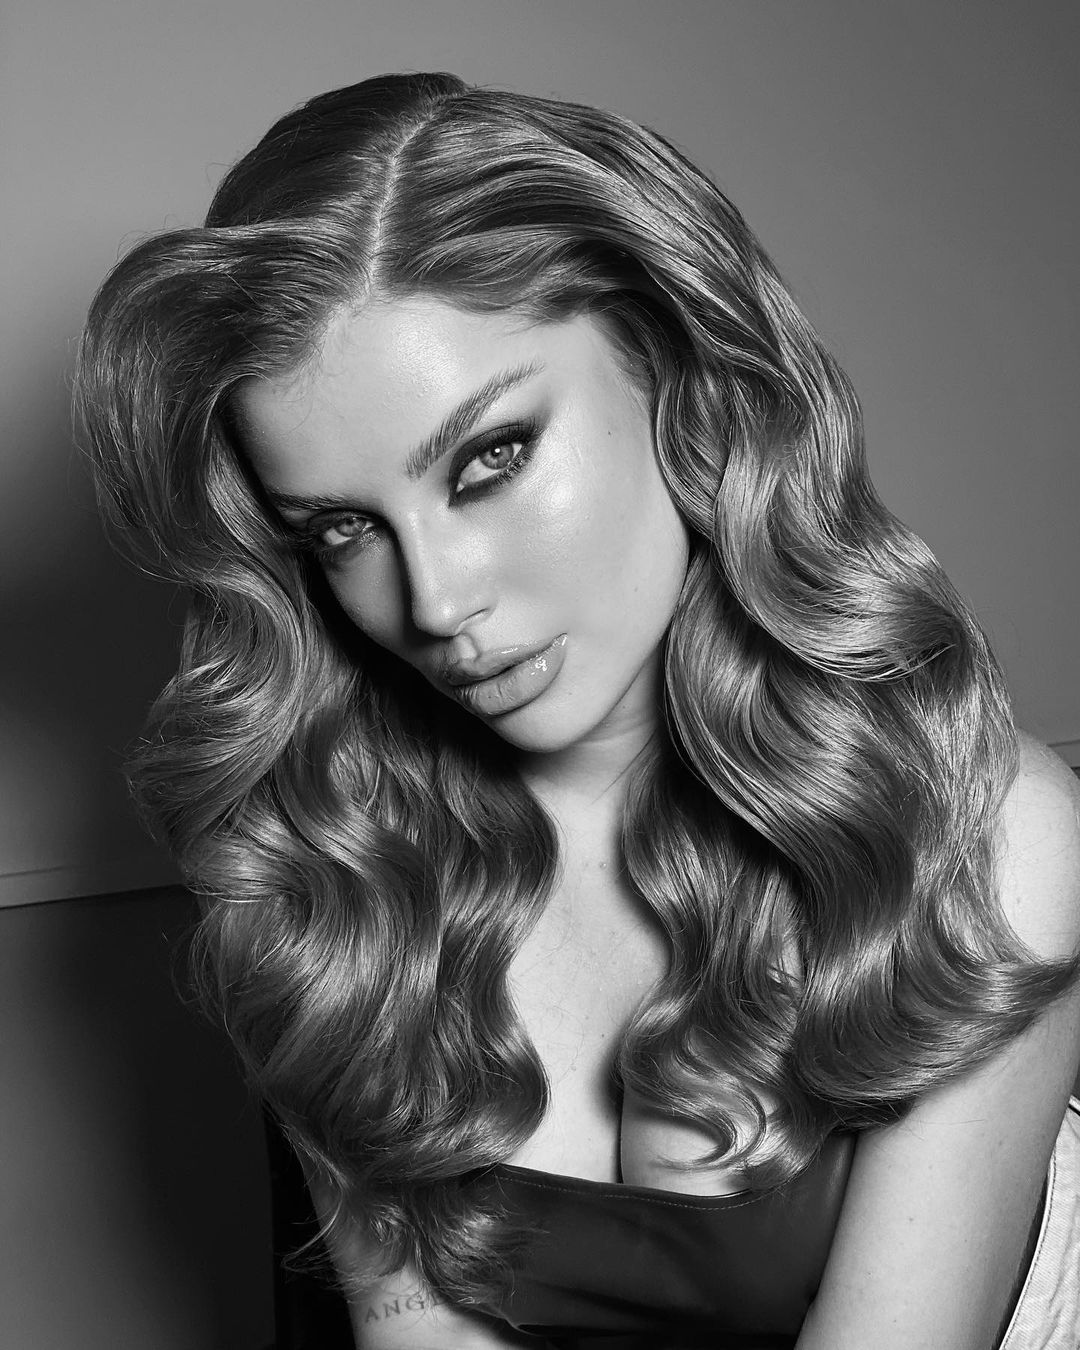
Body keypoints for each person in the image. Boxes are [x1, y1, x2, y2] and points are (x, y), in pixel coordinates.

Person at [74, 72, 1080, 1349]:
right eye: (342, 529)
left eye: (490, 459)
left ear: (673, 368)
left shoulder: (982, 835)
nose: (437, 600)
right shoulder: (325, 876)